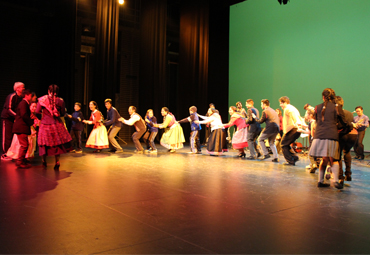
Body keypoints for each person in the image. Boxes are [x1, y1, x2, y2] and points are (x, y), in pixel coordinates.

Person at [309, 88, 346, 189]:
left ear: (323, 97)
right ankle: (335, 181)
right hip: (331, 136)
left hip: (319, 136)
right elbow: (343, 121)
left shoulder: (317, 107)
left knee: (324, 159)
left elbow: (317, 120)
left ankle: (320, 181)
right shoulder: (336, 107)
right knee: (334, 159)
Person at [35, 85, 72, 170]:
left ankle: (44, 161)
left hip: (45, 124)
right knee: (56, 143)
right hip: (56, 124)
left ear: (48, 91)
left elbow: (37, 111)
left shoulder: (42, 100)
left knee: (43, 143)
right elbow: (63, 113)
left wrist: (44, 115)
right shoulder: (60, 101)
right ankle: (57, 162)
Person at [1, 82, 25, 160]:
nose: (23, 88)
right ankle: (5, 154)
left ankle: (10, 153)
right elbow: (9, 109)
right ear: (17, 88)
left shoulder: (21, 97)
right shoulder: (12, 96)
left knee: (12, 137)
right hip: (7, 118)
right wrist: (17, 116)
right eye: (22, 87)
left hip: (14, 119)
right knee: (7, 136)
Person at [11, 90, 34, 168]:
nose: (31, 97)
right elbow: (24, 115)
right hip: (21, 127)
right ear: (26, 95)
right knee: (24, 145)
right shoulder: (23, 103)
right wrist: (31, 122)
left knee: (24, 144)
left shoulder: (24, 103)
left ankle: (22, 160)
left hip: (20, 127)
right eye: (30, 95)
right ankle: (20, 161)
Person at [336, 96, 357, 184]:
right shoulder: (349, 113)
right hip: (353, 135)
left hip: (343, 134)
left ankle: (340, 176)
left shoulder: (337, 113)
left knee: (338, 154)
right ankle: (348, 173)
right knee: (347, 151)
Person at [279, 96, 303, 166]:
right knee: (285, 144)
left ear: (285, 102)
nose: (280, 105)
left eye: (281, 103)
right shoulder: (290, 108)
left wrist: (298, 125)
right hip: (293, 129)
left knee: (283, 145)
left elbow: (295, 118)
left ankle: (290, 161)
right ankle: (294, 157)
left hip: (293, 129)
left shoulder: (289, 109)